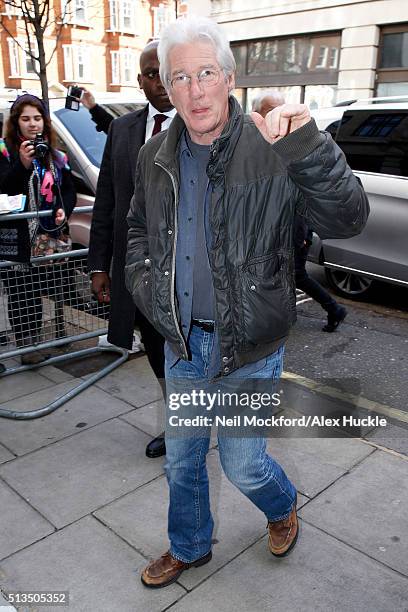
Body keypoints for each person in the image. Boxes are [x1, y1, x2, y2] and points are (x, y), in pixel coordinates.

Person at [125, 17, 369, 588]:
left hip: (249, 344)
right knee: (182, 464)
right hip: (183, 340)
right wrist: (146, 286)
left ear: (229, 77)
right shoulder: (155, 155)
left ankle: (281, 506)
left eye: (205, 72)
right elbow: (139, 229)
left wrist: (306, 147)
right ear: (166, 85)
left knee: (242, 463)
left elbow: (349, 219)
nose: (194, 89)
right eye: (179, 76)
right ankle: (188, 546)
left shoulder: (272, 144)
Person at [87, 41, 176, 458]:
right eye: (151, 73)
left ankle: (188, 427)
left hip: (184, 269)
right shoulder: (122, 130)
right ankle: (180, 427)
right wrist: (98, 265)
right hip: (137, 269)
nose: (160, 80)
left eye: (167, 70)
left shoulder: (199, 125)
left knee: (188, 354)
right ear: (140, 81)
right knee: (157, 352)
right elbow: (106, 198)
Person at [252, 89, 347, 332]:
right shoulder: (252, 144)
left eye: (282, 109)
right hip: (274, 229)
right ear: (256, 114)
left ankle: (334, 309)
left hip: (296, 227)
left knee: (296, 274)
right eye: (271, 111)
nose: (279, 116)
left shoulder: (293, 144)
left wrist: (304, 234)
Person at [0, 94, 76, 365]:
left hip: (44, 236)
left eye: (37, 118)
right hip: (15, 237)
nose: (33, 124)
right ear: (15, 123)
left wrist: (62, 210)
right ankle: (26, 347)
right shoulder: (5, 151)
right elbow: (4, 189)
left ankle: (34, 340)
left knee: (36, 290)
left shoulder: (54, 154)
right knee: (19, 292)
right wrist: (21, 165)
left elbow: (67, 190)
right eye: (25, 119)